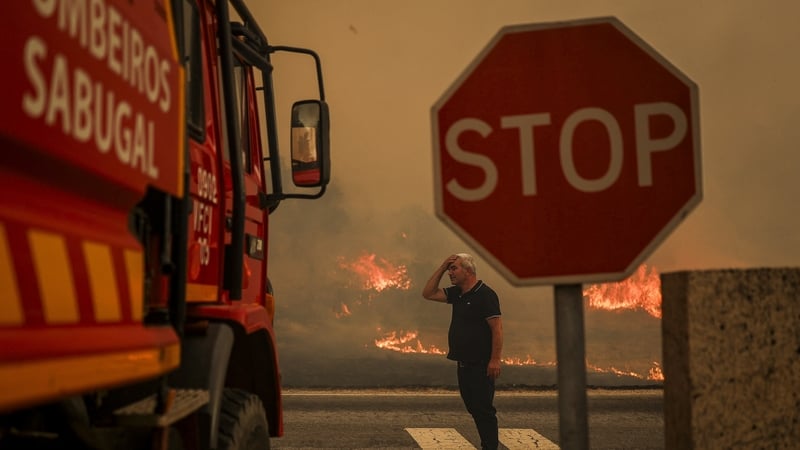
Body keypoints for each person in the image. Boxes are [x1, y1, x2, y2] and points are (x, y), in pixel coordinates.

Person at [422, 253, 503, 450]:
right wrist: (441, 267)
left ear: (468, 271)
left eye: (454, 268)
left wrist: (494, 360)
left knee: (483, 410)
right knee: (473, 407)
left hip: (481, 364)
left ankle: (490, 447)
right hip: (463, 364)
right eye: (449, 269)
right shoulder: (458, 293)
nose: (450, 273)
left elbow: (497, 329)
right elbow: (428, 293)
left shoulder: (485, 294)